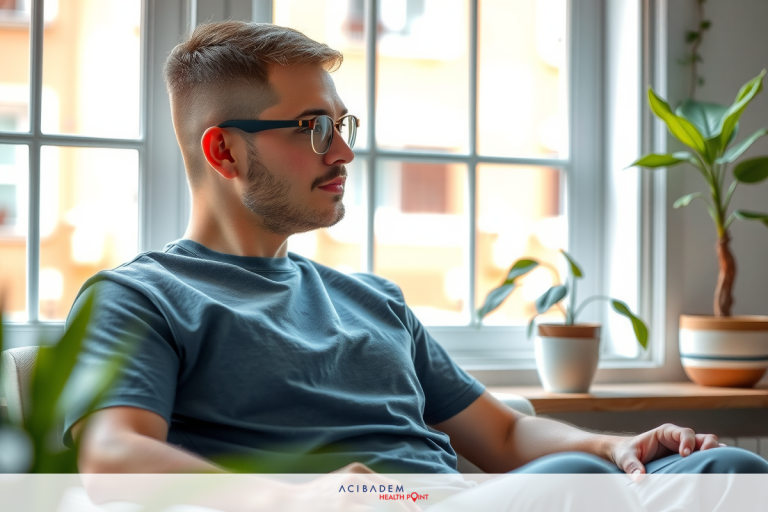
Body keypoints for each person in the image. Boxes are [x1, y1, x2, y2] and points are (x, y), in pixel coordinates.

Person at [64, 21, 767, 481]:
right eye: (312, 127)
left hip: (467, 499)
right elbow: (111, 454)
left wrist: (616, 447)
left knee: (728, 469)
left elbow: (504, 438)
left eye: (341, 125)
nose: (342, 150)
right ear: (223, 150)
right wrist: (292, 497)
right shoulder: (141, 297)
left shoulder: (372, 299)